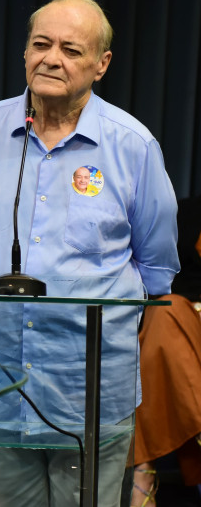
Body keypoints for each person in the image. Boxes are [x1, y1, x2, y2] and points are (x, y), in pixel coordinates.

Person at [0, 0, 179, 507]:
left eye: (71, 49)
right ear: (24, 52)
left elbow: (156, 270)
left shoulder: (133, 146)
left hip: (86, 392)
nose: (51, 59)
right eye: (40, 44)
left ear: (101, 65)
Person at [132, 194, 201, 506]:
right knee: (166, 312)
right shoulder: (186, 211)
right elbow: (160, 277)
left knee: (164, 329)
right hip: (186, 314)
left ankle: (142, 473)